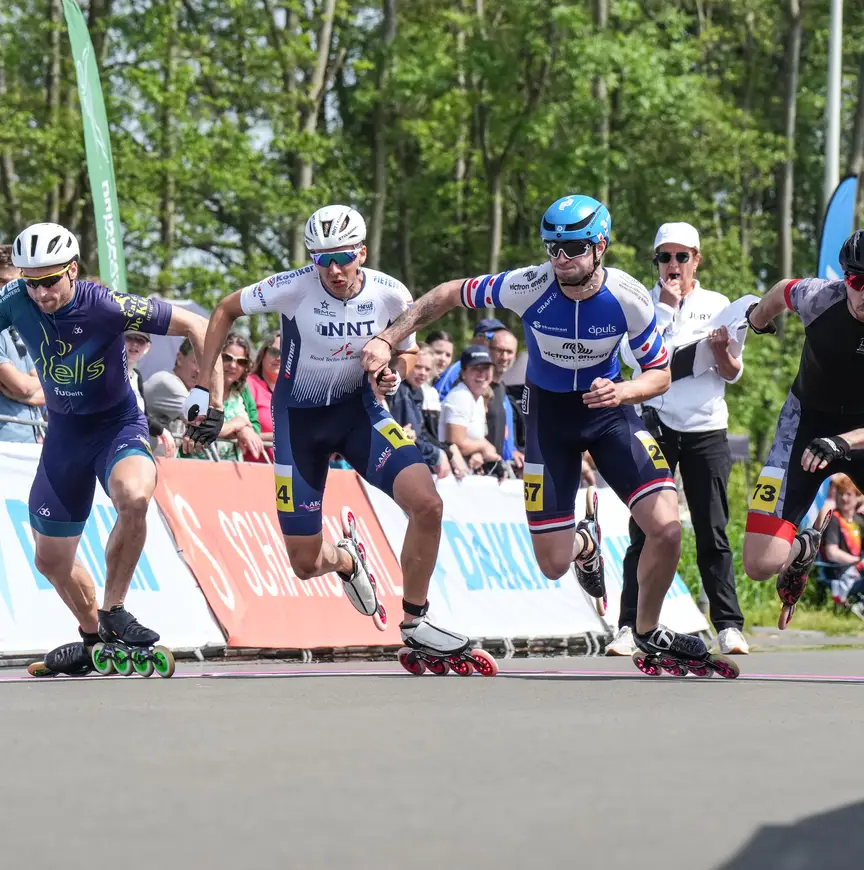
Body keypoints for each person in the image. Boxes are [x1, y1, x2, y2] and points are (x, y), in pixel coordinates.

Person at [362, 194, 736, 676]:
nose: (561, 259)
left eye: (573, 248)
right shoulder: (528, 284)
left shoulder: (628, 297)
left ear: (600, 246)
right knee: (554, 564)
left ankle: (645, 630)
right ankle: (584, 543)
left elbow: (660, 375)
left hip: (608, 414)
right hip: (549, 422)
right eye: (552, 248)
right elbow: (450, 292)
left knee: (666, 527)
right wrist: (388, 337)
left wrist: (624, 391)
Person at [183, 205, 493, 673]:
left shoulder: (390, 293)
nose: (332, 270)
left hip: (358, 414)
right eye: (321, 259)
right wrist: (208, 389)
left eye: (343, 258)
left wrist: (392, 372)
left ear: (361, 253)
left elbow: (408, 355)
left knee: (428, 503)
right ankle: (346, 560)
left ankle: (415, 620)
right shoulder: (293, 287)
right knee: (305, 563)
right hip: (299, 425)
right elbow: (226, 309)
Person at [0, 222, 214, 675]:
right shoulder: (15, 299)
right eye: (30, 282)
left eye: (49, 280)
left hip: (117, 426)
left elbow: (197, 324)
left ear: (72, 270)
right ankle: (93, 636)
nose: (40, 293)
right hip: (64, 435)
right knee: (50, 559)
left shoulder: (107, 305)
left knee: (134, 497)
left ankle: (114, 608)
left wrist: (207, 398)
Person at [610, 222, 748, 657]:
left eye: (681, 256)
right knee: (644, 530)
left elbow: (732, 372)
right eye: (664, 257)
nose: (672, 265)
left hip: (706, 428)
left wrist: (722, 352)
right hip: (654, 425)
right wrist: (667, 311)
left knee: (712, 529)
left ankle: (728, 626)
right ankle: (629, 626)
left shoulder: (718, 304)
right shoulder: (640, 303)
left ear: (696, 260)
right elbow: (634, 359)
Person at [742, 229, 864, 629]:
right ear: (845, 278)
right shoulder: (820, 297)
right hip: (806, 424)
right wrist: (759, 319)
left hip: (859, 434)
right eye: (858, 282)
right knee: (759, 563)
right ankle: (801, 548)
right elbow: (781, 290)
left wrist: (842, 442)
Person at [183, 332, 263, 462]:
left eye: (241, 361)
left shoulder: (242, 391)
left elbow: (254, 427)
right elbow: (198, 429)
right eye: (227, 358)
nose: (233, 365)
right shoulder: (198, 386)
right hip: (193, 463)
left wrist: (244, 430)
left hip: (231, 466)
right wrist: (236, 424)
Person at [0, 245, 44, 443]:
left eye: (14, 284)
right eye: (2, 282)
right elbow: (22, 387)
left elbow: (55, 390)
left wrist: (27, 391)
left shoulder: (26, 326)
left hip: (32, 440)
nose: (7, 291)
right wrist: (32, 387)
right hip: (5, 444)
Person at [389, 345, 453, 479]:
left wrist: (444, 452)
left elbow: (421, 433)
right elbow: (410, 438)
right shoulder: (401, 391)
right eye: (418, 367)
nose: (423, 373)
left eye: (427, 369)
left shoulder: (417, 391)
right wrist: (437, 455)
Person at [439, 346, 501, 474]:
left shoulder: (478, 398)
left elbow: (474, 440)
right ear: (463, 373)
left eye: (486, 368)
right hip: (448, 475)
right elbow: (456, 443)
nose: (481, 373)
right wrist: (484, 447)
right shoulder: (460, 396)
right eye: (475, 368)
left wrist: (479, 453)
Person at [125, 330, 176, 458]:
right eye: (129, 338)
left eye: (140, 341)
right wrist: (161, 430)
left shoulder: (137, 376)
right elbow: (129, 410)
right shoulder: (110, 373)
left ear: (147, 348)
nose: (134, 344)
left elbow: (145, 415)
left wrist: (160, 432)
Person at [819, 474, 864, 612]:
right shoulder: (833, 519)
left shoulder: (859, 520)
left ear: (857, 497)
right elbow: (832, 553)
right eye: (841, 493)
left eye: (848, 494)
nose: (844, 498)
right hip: (839, 573)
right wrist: (858, 561)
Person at [434, 318, 509, 400]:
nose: (497, 342)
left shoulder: (500, 378)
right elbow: (438, 399)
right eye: (492, 336)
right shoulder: (459, 368)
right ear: (475, 340)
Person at [143, 337, 199, 440]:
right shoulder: (167, 382)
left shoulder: (191, 392)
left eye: (206, 367)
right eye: (196, 362)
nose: (199, 371)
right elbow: (201, 424)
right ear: (180, 359)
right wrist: (232, 425)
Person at [488, 328, 524, 473]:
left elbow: (504, 430)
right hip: (484, 471)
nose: (504, 357)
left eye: (509, 352)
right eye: (499, 350)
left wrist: (513, 451)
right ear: (488, 350)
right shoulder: (478, 387)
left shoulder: (502, 388)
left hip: (504, 471)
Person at [244, 329, 280, 461]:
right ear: (263, 353)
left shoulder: (296, 393)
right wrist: (280, 438)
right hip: (253, 466)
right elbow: (242, 433)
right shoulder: (249, 384)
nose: (279, 358)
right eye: (274, 352)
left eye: (287, 353)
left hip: (288, 469)